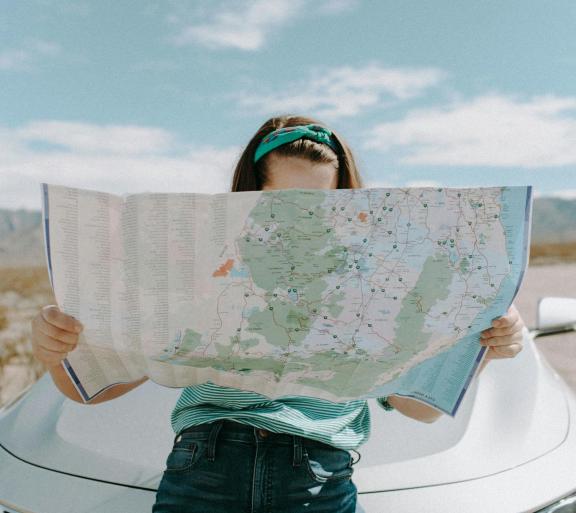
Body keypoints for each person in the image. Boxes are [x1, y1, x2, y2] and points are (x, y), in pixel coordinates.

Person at [30, 114, 526, 513]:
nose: (300, 218)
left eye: (319, 203)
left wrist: (479, 347)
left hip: (318, 477)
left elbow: (419, 408)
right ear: (249, 197)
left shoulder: (377, 279)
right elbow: (91, 390)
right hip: (204, 464)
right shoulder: (200, 264)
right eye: (282, 202)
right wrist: (56, 351)